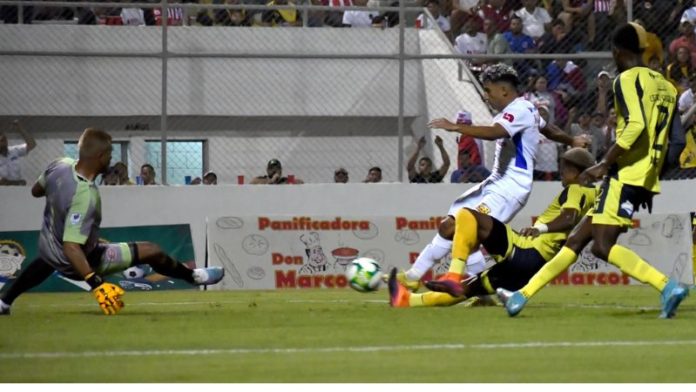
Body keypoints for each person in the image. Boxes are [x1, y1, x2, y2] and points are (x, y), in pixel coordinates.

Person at [497, 23, 689, 319]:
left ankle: (667, 286)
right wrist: (655, 168)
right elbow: (676, 139)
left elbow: (635, 125)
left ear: (616, 51)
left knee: (602, 246)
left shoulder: (624, 79)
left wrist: (604, 163)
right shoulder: (665, 85)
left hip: (624, 172)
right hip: (645, 174)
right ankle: (521, 295)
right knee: (577, 240)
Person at [394, 63, 589, 292]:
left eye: (488, 90)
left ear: (504, 90)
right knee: (449, 225)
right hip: (496, 183)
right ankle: (414, 276)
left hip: (510, 188)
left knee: (470, 230)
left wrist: (457, 127)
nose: (486, 96)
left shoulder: (519, 110)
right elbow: (548, 129)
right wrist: (572, 141)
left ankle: (474, 285)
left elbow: (496, 132)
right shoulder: (527, 110)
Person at [0, 128, 224, 316]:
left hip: (53, 250)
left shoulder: (59, 165)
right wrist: (97, 284)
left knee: (151, 250)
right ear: (100, 156)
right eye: (109, 154)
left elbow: (36, 191)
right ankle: (194, 276)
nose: (111, 159)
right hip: (82, 260)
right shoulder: (85, 194)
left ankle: (4, 301)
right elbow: (71, 246)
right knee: (64, 253)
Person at [389, 148, 597, 308]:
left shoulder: (576, 190)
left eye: (565, 169)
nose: (561, 173)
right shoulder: (592, 194)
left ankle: (453, 274)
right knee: (467, 288)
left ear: (577, 172)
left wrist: (540, 229)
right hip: (530, 268)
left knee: (467, 215)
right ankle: (408, 300)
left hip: (526, 250)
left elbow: (568, 218)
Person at [0, 120, 37, 186]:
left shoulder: (14, 150)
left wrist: (20, 129)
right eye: (1, 141)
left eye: (4, 140)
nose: (3, 143)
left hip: (17, 188)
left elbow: (32, 144)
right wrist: (16, 183)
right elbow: (2, 182)